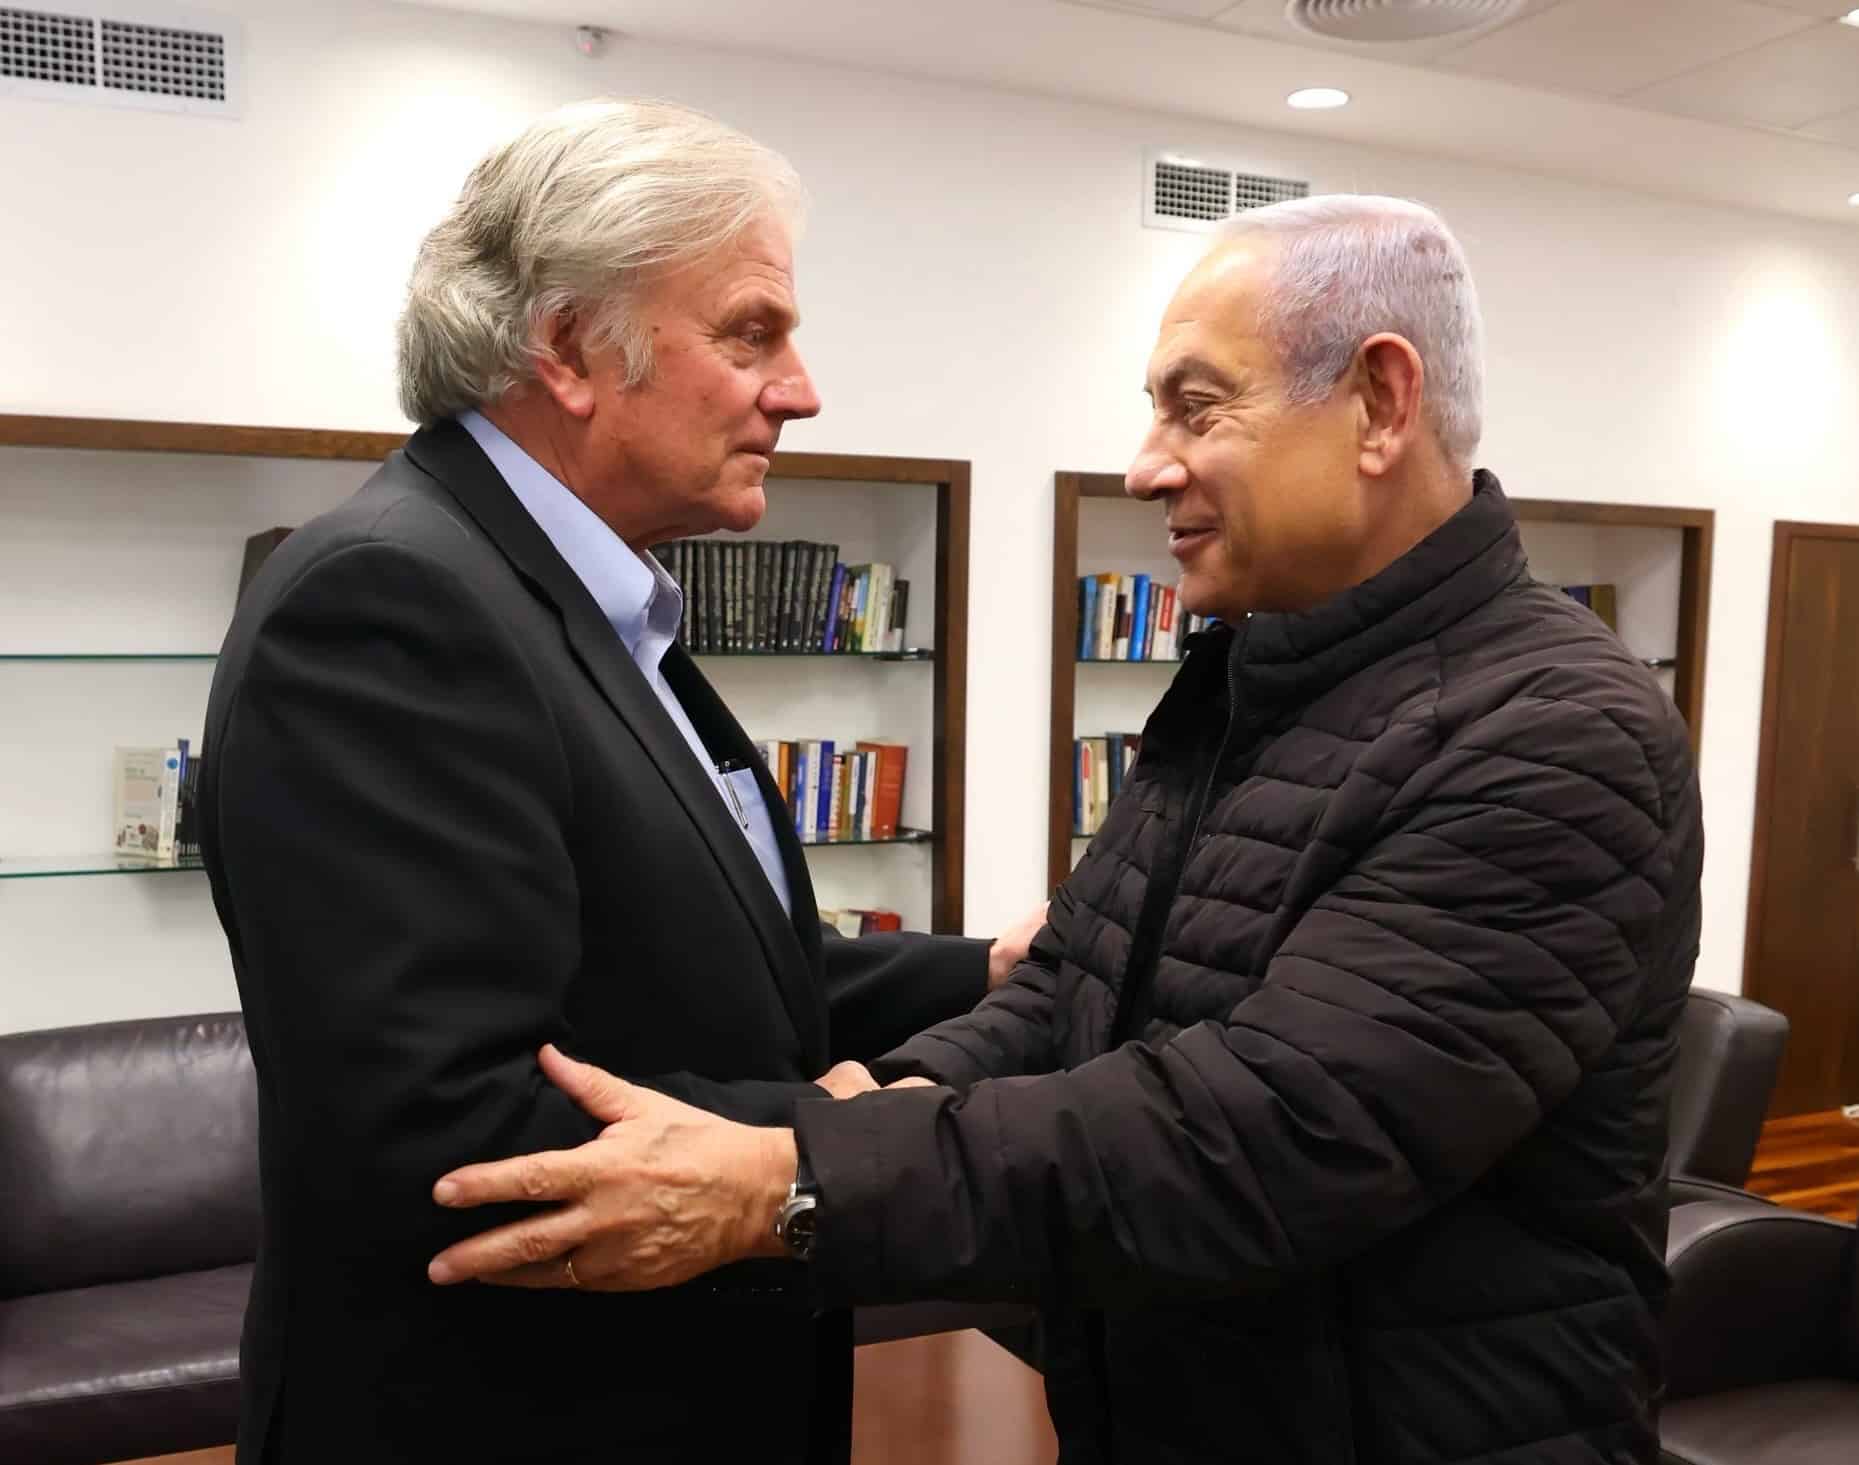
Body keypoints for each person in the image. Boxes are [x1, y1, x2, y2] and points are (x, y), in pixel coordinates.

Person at [427, 195, 1704, 1465]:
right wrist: (890, 1093)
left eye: (1195, 408)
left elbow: (1256, 1134)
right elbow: (1070, 988)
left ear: (1376, 403)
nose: (1147, 464)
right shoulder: (1237, 684)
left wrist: (797, 1179)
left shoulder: (1553, 734)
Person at [199, 99, 1040, 1465]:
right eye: (751, 332)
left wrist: (983, 973)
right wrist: (845, 1139)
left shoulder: (586, 602)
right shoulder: (392, 603)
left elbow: (712, 974)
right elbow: (449, 1131)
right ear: (574, 349)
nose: (801, 388)